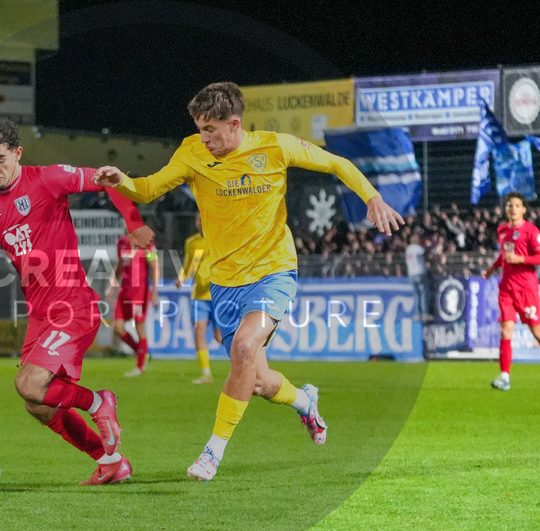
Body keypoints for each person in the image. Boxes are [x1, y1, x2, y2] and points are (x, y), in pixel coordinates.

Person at [93, 81, 404, 481]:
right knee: (257, 381)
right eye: (200, 129)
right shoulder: (191, 152)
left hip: (273, 271)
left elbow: (336, 164)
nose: (203, 138)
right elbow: (149, 188)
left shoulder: (275, 147)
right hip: (224, 282)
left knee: (242, 347)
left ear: (235, 124)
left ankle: (211, 453)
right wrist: (122, 180)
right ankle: (305, 401)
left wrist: (371, 196)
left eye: (210, 130)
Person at [0, 119, 154, 486]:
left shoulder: (48, 178)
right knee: (38, 404)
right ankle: (109, 461)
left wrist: (133, 222)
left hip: (73, 305)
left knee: (28, 384)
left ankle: (99, 402)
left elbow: (107, 178)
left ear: (17, 153)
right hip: (41, 314)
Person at [481, 192, 540, 392]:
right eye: (509, 205)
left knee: (537, 332)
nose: (513, 209)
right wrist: (491, 270)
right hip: (506, 288)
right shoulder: (502, 231)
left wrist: (521, 260)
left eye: (517, 205)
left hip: (527, 290)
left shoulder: (531, 231)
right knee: (505, 330)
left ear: (524, 209)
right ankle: (505, 377)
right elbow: (503, 256)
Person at [174, 212, 220, 383]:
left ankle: (246, 362)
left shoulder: (218, 239)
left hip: (218, 295)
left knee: (220, 337)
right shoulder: (191, 243)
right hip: (199, 295)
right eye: (198, 219)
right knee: (199, 331)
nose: (200, 222)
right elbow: (188, 265)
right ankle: (206, 373)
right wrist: (181, 278)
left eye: (203, 219)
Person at [106, 230, 159, 377]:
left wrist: (154, 291)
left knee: (139, 328)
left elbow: (154, 266)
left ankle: (140, 366)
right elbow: (120, 265)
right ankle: (142, 353)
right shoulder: (122, 242)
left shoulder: (147, 243)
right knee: (118, 328)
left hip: (139, 292)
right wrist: (113, 283)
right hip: (124, 292)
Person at [405, 233, 429, 321]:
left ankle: (417, 314)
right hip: (419, 272)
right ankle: (424, 313)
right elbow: (425, 253)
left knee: (416, 295)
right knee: (423, 293)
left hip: (411, 274)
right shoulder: (418, 248)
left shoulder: (408, 249)